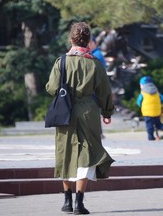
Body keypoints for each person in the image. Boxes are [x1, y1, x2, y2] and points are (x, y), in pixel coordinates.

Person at [46, 22, 115, 215]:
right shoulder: (94, 63)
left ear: (71, 39)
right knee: (87, 154)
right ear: (89, 42)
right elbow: (105, 91)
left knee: (65, 152)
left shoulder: (61, 62)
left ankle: (66, 201)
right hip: (88, 113)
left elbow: (51, 88)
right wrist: (107, 113)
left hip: (65, 111)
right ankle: (79, 203)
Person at [136, 76, 163, 141]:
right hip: (156, 112)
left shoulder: (143, 93)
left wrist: (140, 105)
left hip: (147, 113)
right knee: (158, 124)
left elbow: (139, 102)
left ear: (143, 85)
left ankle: (151, 137)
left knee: (149, 126)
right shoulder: (156, 92)